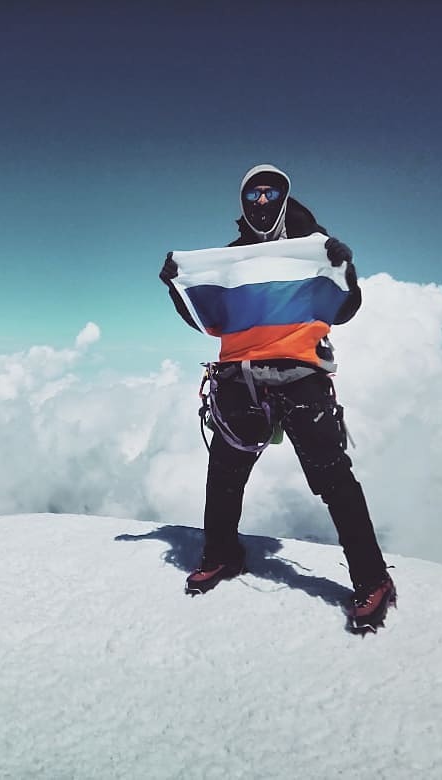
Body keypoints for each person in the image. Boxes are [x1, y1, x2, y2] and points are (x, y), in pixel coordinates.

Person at [159, 164, 395, 632]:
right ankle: (221, 554)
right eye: (253, 195)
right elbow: (210, 320)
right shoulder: (232, 260)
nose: (262, 202)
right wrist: (175, 287)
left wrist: (345, 268)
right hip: (239, 378)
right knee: (225, 474)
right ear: (244, 203)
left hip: (300, 374)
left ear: (283, 196)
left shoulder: (314, 248)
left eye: (270, 193)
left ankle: (373, 579)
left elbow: (345, 307)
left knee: (333, 480)